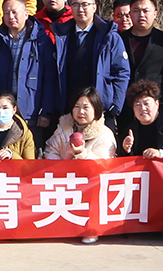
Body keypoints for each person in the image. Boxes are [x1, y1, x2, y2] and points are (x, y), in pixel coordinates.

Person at [43, 86, 118, 243]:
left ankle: (91, 228)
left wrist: (81, 153)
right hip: (64, 179)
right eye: (77, 107)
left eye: (86, 107)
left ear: (96, 110)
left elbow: (104, 166)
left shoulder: (105, 134)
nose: (80, 112)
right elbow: (50, 150)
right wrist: (61, 168)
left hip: (90, 183)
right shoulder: (64, 127)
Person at [0, 0, 60, 144]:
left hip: (31, 110)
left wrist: (46, 112)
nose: (10, 16)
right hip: (4, 112)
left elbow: (50, 78)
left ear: (26, 14)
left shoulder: (42, 41)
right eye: (6, 13)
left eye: (14, 12)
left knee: (32, 158)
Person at [59, 0, 131, 128]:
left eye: (85, 5)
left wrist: (115, 106)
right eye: (76, 5)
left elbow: (122, 72)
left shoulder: (109, 36)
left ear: (94, 8)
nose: (81, 9)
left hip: (101, 109)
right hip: (70, 109)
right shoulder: (61, 36)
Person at [116, 79, 163, 163]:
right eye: (137, 105)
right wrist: (126, 150)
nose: (142, 108)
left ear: (157, 103)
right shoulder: (130, 129)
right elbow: (122, 163)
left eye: (146, 104)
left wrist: (161, 154)